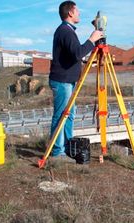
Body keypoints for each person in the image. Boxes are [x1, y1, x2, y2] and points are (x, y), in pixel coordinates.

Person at [49, 1, 103, 160]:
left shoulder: (67, 31)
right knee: (61, 116)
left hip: (68, 81)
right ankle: (57, 151)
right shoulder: (65, 31)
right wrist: (91, 39)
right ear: (70, 13)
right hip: (62, 82)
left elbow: (75, 53)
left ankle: (66, 148)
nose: (79, 13)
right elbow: (77, 53)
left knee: (69, 115)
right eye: (77, 11)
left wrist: (94, 37)